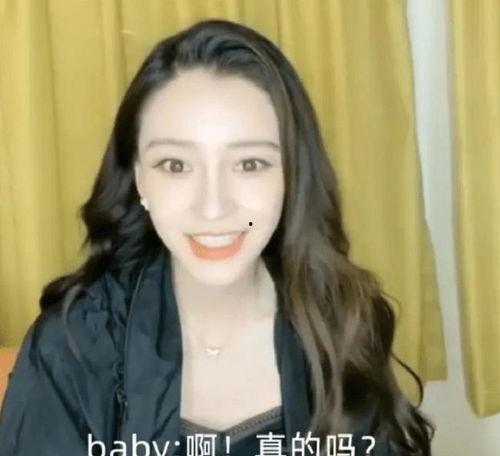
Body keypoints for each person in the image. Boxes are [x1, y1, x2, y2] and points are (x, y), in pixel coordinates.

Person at [0, 19, 434, 456]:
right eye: (175, 165)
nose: (213, 208)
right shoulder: (73, 344)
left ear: (291, 176)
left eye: (249, 164)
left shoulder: (342, 323)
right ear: (139, 180)